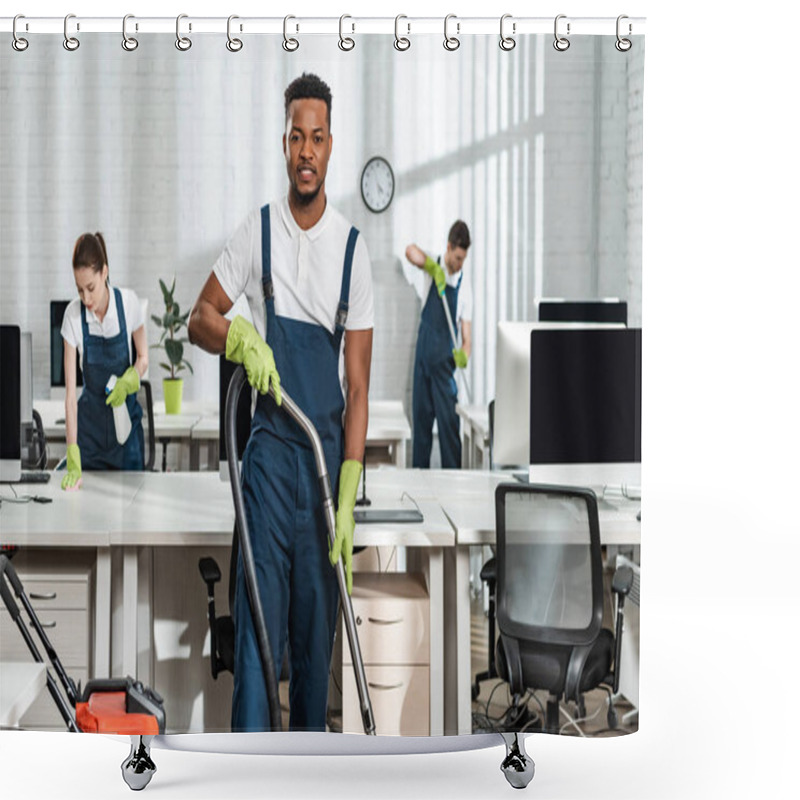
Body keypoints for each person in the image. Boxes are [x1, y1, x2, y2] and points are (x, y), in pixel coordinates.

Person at [187, 73, 374, 733]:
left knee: (314, 661)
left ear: (330, 146)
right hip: (266, 480)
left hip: (322, 485)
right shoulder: (257, 232)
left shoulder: (354, 252)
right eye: (295, 135)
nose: (305, 149)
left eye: (317, 137)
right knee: (258, 654)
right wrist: (238, 335)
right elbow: (199, 318)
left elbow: (358, 388)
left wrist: (349, 490)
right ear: (285, 142)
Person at [60, 232, 148, 490]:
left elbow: (143, 358)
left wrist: (130, 379)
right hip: (90, 441)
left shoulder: (129, 304)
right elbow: (69, 398)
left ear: (104, 273)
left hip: (126, 438)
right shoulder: (73, 318)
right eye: (79, 289)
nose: (86, 299)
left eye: (91, 288)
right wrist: (72, 453)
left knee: (130, 519)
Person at [406, 221, 473, 469]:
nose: (459, 264)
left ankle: (452, 491)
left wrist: (463, 355)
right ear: (448, 247)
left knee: (449, 435)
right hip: (423, 365)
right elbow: (410, 251)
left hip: (445, 370)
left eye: (463, 259)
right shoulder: (433, 267)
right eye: (457, 257)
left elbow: (467, 340)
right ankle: (417, 492)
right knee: (421, 433)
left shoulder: (465, 287)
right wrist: (433, 268)